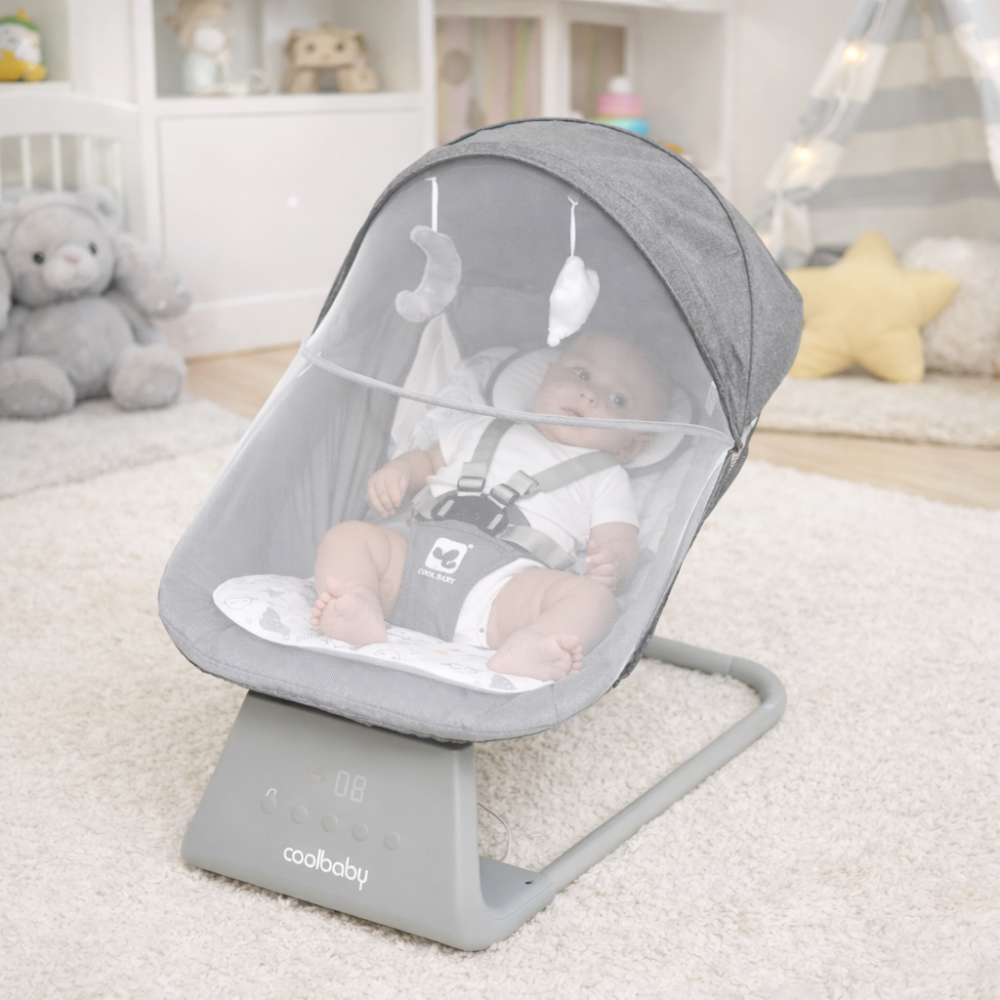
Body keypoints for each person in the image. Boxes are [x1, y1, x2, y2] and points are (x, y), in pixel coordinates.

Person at [310, 329, 666, 681]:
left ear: (631, 447)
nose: (590, 395)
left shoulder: (606, 476)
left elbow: (619, 539)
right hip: (411, 564)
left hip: (504, 593)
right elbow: (427, 460)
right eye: (582, 374)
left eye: (618, 399)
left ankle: (533, 642)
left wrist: (615, 565)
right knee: (348, 537)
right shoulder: (480, 426)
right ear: (545, 377)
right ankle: (360, 602)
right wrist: (399, 472)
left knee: (596, 600)